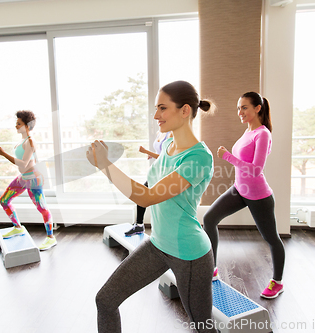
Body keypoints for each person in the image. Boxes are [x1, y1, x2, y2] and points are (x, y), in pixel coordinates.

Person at [87, 81, 217, 333]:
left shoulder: (199, 158)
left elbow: (147, 198)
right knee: (105, 300)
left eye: (162, 108)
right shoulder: (169, 147)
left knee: (202, 327)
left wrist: (105, 165)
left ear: (185, 110)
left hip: (189, 253)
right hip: (158, 244)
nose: (155, 115)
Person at [203, 92, 286, 299]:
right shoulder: (247, 131)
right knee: (209, 218)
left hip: (258, 195)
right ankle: (212, 269)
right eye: (238, 108)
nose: (240, 112)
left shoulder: (262, 133)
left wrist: (228, 157)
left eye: (244, 107)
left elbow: (256, 169)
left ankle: (277, 282)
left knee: (271, 238)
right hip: (240, 189)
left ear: (258, 108)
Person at [0, 110, 56, 251]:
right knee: (4, 200)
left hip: (33, 179)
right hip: (23, 178)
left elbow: (23, 163)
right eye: (16, 123)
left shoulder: (30, 141)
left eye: (19, 123)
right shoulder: (22, 141)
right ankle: (18, 227)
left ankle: (51, 238)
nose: (16, 126)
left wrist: (4, 154)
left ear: (27, 126)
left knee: (42, 208)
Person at [124, 131, 172, 236]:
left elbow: (166, 158)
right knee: (141, 195)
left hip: (165, 173)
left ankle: (155, 230)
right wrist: (152, 155)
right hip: (157, 172)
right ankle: (139, 225)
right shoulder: (159, 132)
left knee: (156, 200)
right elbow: (161, 152)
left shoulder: (171, 134)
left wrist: (147, 152)